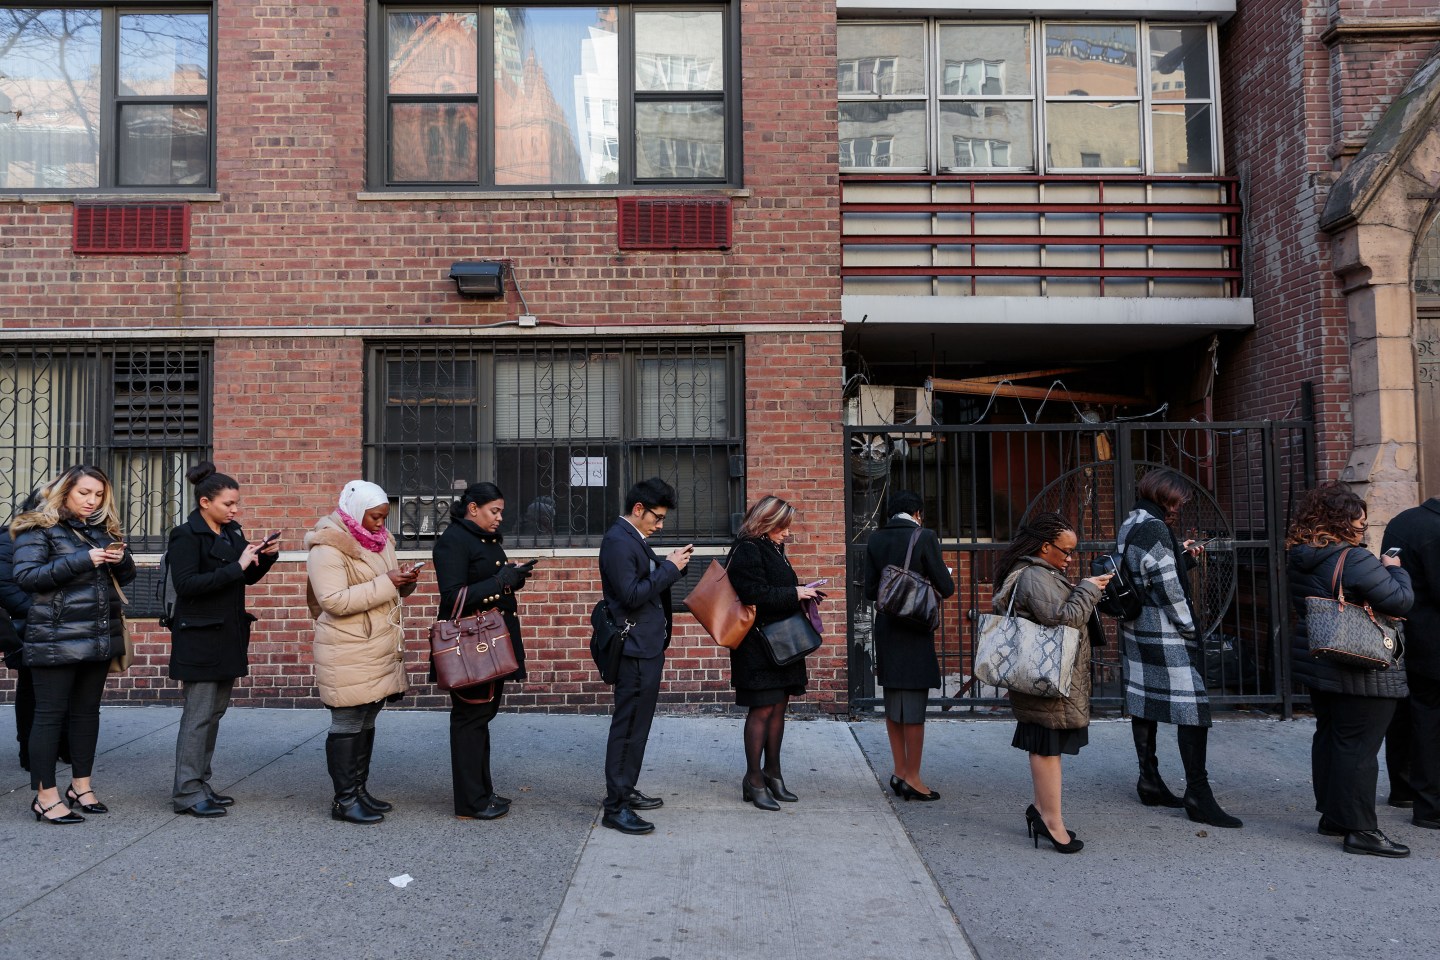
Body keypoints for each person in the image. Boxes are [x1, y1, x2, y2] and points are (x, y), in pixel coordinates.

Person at [1289, 483, 1414, 857]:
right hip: (1362, 665)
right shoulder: (1355, 559)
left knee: (1331, 737)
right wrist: (1396, 570)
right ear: (1342, 521)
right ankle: (1361, 829)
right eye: (1360, 520)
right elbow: (1400, 601)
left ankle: (1334, 815)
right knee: (1358, 747)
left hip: (1323, 660)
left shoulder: (1302, 553)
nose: (1364, 525)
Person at [11, 465, 135, 824]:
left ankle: (81, 786)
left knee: (86, 715)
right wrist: (83, 559)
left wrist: (120, 559)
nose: (92, 501)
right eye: (84, 493)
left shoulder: (99, 529)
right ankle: (45, 795)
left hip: (98, 636)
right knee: (49, 718)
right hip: (55, 638)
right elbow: (27, 577)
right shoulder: (37, 527)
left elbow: (125, 577)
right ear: (65, 491)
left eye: (98, 495)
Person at [1117, 468, 1241, 828]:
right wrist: (1189, 627)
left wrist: (1182, 556)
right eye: (1178, 500)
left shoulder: (1133, 520)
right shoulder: (1155, 527)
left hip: (1136, 626)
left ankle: (1149, 780)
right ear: (1165, 496)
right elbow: (1168, 588)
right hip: (1161, 628)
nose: (1180, 506)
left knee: (1144, 699)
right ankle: (1197, 795)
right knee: (1194, 706)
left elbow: (1144, 568)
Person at [166, 463, 280, 817]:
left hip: (228, 634)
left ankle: (201, 783)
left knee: (214, 714)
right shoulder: (185, 535)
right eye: (229, 503)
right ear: (205, 502)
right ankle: (186, 792)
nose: (235, 509)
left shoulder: (232, 533)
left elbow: (243, 578)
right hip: (199, 637)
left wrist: (265, 558)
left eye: (236, 503)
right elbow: (186, 585)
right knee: (198, 715)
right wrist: (237, 565)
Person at [992, 511, 1109, 853]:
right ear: (1045, 547)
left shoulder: (1040, 572)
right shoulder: (1034, 576)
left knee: (1046, 746)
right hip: (1045, 678)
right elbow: (1065, 619)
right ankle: (1052, 823)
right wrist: (1088, 588)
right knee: (1047, 748)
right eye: (1066, 551)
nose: (1070, 558)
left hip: (1045, 677)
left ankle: (1044, 812)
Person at [306, 480, 418, 824]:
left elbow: (386, 587)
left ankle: (359, 790)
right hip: (347, 645)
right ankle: (344, 800)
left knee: (369, 715)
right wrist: (388, 583)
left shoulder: (381, 541)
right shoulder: (327, 547)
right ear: (355, 512)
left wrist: (405, 581)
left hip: (376, 644)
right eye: (375, 517)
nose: (381, 524)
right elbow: (334, 601)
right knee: (347, 720)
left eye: (384, 517)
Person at [432, 482, 532, 821]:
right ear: (472, 508)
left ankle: (482, 792)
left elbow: (489, 582)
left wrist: (511, 578)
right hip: (469, 649)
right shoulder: (453, 542)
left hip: (489, 645)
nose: (500, 518)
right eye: (494, 511)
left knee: (481, 719)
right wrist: (502, 581)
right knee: (469, 722)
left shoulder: (482, 540)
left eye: (501, 511)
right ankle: (470, 802)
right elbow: (453, 599)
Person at [597, 477, 692, 834]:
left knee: (638, 726)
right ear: (638, 509)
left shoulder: (632, 538)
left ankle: (625, 789)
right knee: (629, 727)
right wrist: (670, 568)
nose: (660, 524)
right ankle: (616, 806)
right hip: (634, 649)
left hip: (645, 646)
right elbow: (632, 595)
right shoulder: (619, 542)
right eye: (657, 517)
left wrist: (668, 565)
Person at [727, 496, 823, 810]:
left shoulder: (773, 548)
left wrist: (803, 591)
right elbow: (754, 594)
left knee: (779, 709)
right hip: (757, 646)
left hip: (782, 643)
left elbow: (776, 589)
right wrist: (795, 592)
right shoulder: (747, 549)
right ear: (765, 523)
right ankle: (753, 779)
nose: (786, 532)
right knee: (762, 710)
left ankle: (773, 773)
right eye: (781, 526)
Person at [863, 490, 955, 801]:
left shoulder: (875, 540)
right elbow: (947, 586)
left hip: (888, 627)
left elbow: (870, 591)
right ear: (917, 512)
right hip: (915, 627)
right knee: (914, 706)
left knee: (893, 702)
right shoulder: (924, 536)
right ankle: (914, 778)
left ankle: (899, 771)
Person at [1382, 496, 1440, 831]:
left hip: (1402, 632)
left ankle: (1403, 789)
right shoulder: (1434, 530)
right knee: (1431, 720)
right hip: (1433, 639)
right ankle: (1430, 805)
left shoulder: (1402, 520)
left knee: (1404, 713)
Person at [2, 490, 67, 772]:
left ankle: (63, 746)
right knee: (31, 689)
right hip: (31, 625)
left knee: (66, 689)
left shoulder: (64, 537)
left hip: (64, 623)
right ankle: (28, 750)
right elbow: (5, 586)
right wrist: (41, 613)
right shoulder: (10, 538)